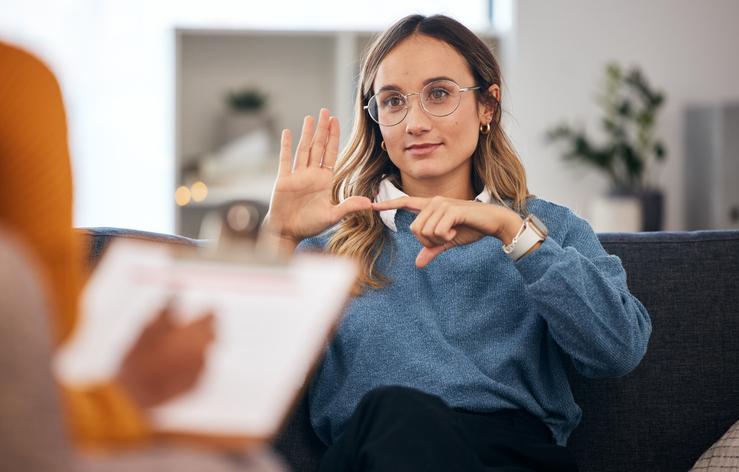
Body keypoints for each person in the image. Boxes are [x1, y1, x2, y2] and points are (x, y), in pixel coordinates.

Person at [265, 14, 652, 471]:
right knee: (400, 414)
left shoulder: (547, 228)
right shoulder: (330, 244)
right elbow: (250, 387)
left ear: (487, 106)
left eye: (439, 94)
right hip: (377, 453)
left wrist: (513, 234)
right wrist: (279, 238)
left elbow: (618, 351)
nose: (415, 122)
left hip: (514, 457)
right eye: (392, 102)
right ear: (376, 121)